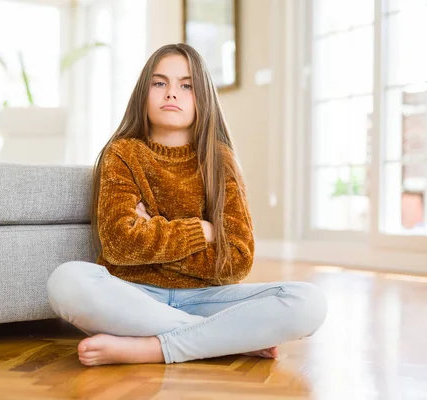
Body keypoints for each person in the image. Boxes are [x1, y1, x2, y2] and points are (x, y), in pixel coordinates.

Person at [47, 43, 327, 366]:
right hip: (134, 295)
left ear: (202, 98)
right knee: (65, 282)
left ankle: (152, 348)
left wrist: (150, 232)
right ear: (144, 93)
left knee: (309, 303)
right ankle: (221, 339)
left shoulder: (221, 161)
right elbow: (119, 245)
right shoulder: (122, 154)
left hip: (205, 298)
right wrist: (203, 231)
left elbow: (238, 259)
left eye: (186, 85)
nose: (171, 93)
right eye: (159, 82)